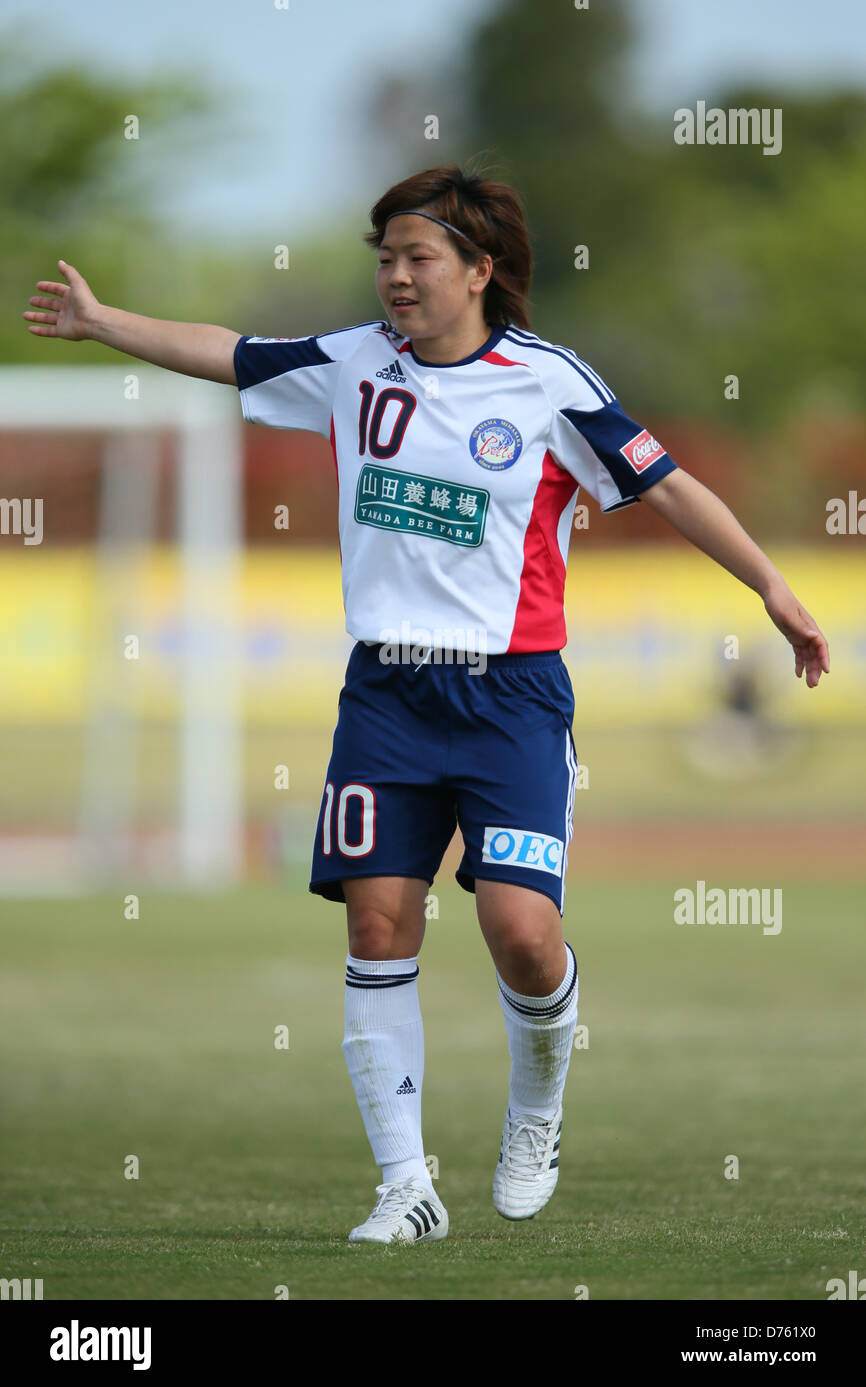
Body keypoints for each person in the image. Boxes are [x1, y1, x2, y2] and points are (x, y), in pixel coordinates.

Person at [23, 164, 830, 1247]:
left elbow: (666, 481)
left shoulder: (547, 383)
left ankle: (533, 1114)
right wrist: (102, 320)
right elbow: (228, 352)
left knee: (521, 934)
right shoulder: (354, 364)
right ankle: (404, 1184)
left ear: (480, 271)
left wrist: (770, 587)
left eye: (418, 259)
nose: (395, 278)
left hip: (511, 697)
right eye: (386, 259)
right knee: (375, 922)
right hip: (387, 693)